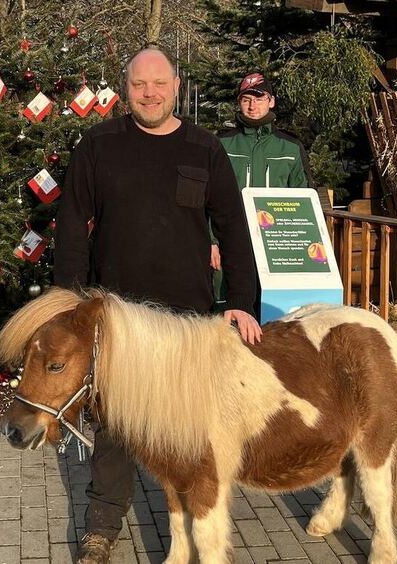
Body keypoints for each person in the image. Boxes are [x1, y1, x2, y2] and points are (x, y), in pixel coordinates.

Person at [54, 48, 261, 563]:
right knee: (117, 429)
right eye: (139, 84)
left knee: (189, 428)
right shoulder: (98, 146)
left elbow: (234, 229)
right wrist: (71, 306)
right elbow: (71, 228)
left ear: (175, 85)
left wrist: (240, 301)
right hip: (118, 319)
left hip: (187, 319)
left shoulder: (203, 147)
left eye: (159, 83)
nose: (149, 93)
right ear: (126, 89)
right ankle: (102, 526)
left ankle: (194, 521)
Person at [213, 72, 314, 315]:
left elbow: (304, 199)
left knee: (275, 314)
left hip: (277, 246)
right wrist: (211, 242)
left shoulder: (290, 147)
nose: (252, 105)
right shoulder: (222, 144)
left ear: (271, 101)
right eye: (246, 99)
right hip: (231, 244)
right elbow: (208, 198)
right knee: (227, 311)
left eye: (259, 98)